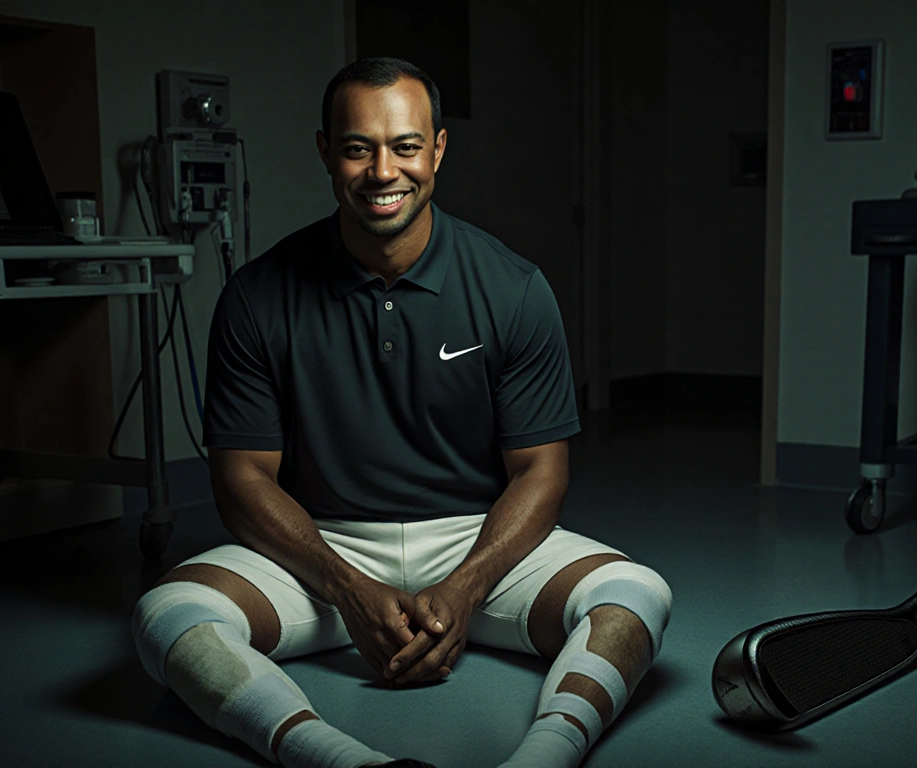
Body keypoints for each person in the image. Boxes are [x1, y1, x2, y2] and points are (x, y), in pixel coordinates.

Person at [129, 57, 672, 768]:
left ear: (438, 149)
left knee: (636, 594)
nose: (384, 171)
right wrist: (348, 589)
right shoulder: (258, 296)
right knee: (167, 617)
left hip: (480, 543)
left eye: (406, 146)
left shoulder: (513, 288)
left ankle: (545, 757)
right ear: (326, 151)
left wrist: (468, 586)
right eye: (358, 148)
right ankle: (337, 759)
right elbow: (242, 482)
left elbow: (542, 470)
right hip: (319, 548)